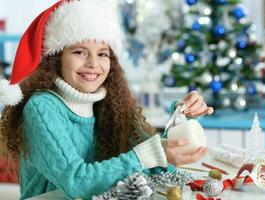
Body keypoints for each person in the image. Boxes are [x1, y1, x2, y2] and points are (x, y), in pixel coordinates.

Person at [0, 0, 213, 199]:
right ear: (56, 59)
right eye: (80, 52)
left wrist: (178, 121)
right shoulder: (42, 107)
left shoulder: (111, 104)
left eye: (102, 54)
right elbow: (76, 181)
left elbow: (155, 164)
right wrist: (153, 154)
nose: (93, 63)